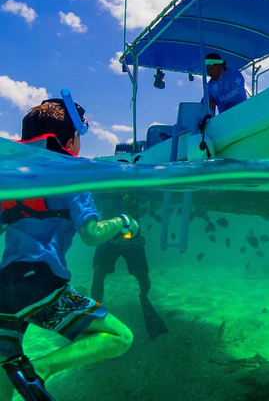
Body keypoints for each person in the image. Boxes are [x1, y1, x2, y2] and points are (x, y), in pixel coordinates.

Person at [0, 97, 137, 401]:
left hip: (4, 284)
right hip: (40, 282)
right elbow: (92, 234)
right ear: (72, 139)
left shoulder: (13, 177)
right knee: (119, 337)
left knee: (5, 365)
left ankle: (21, 373)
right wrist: (124, 221)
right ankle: (41, 369)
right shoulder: (73, 175)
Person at [91, 196, 168, 340]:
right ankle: (95, 312)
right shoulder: (108, 187)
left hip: (130, 239)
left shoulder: (130, 188)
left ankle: (144, 299)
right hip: (110, 238)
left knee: (142, 277)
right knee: (99, 273)